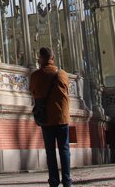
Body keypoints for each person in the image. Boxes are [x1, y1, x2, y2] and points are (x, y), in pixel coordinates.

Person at [29, 46, 72, 187]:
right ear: (52, 58)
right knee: (64, 150)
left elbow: (33, 92)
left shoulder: (36, 76)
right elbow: (66, 90)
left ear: (40, 59)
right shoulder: (63, 74)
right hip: (62, 118)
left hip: (46, 119)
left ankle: (54, 181)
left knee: (50, 151)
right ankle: (67, 181)